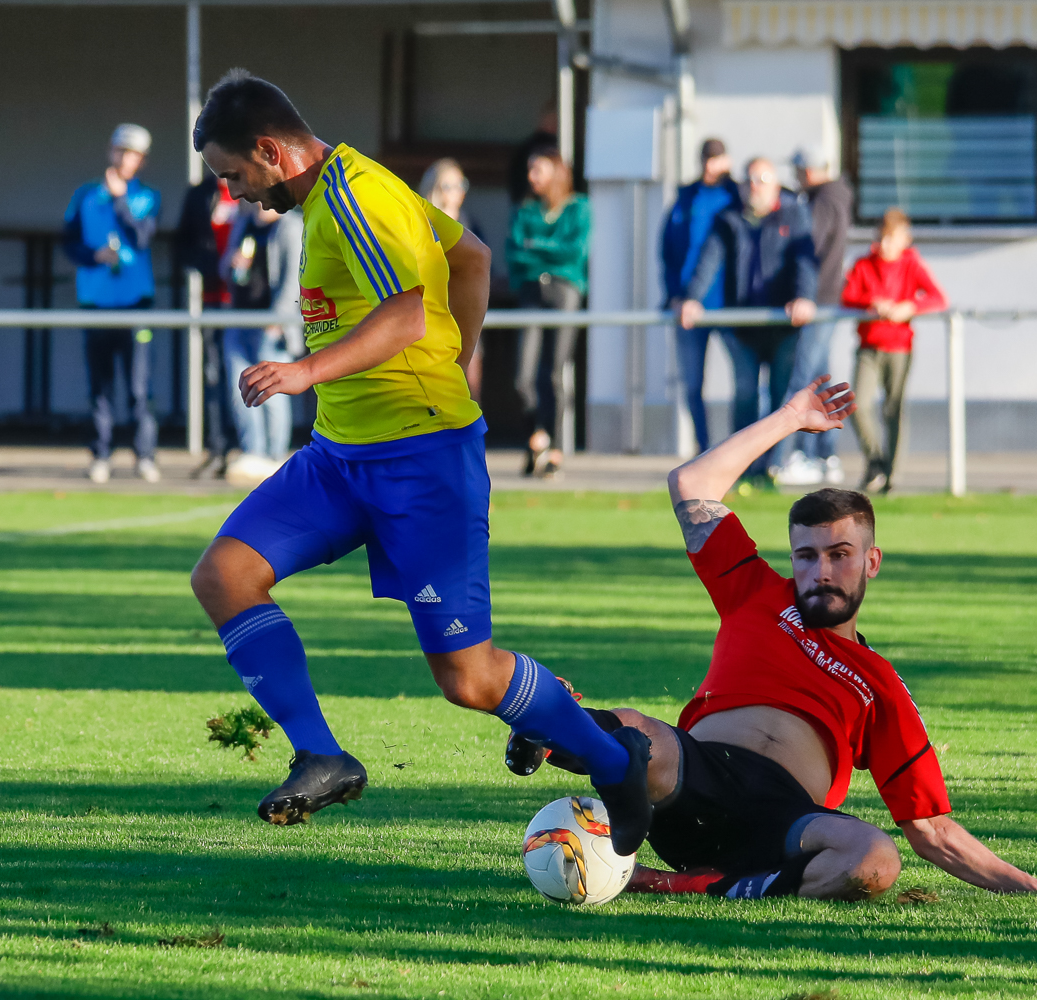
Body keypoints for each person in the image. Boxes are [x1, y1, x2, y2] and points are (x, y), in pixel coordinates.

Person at [187, 70, 652, 855]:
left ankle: (616, 760)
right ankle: (322, 755)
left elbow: (406, 312)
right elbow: (471, 258)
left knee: (469, 680)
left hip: (422, 464)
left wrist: (307, 371)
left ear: (270, 151)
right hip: (339, 457)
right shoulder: (343, 188)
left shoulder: (356, 197)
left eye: (233, 175)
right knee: (224, 575)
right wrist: (454, 358)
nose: (232, 193)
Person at [507, 379, 1037, 901]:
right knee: (639, 735)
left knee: (876, 860)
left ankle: (687, 884)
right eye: (806, 555)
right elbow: (691, 484)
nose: (821, 570)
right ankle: (549, 730)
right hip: (694, 780)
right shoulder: (754, 591)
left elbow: (931, 830)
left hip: (786, 824)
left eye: (839, 554)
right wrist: (791, 417)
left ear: (871, 562)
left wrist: (1032, 886)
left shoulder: (879, 683)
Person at [679, 157, 817, 487]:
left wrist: (803, 296)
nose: (755, 186)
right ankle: (743, 468)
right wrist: (693, 297)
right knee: (744, 394)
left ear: (775, 185)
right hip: (743, 328)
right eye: (750, 180)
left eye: (762, 180)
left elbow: (805, 261)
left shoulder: (794, 215)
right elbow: (709, 259)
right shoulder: (728, 219)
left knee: (782, 400)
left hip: (783, 327)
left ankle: (773, 467)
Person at [63, 123, 162, 484]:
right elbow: (68, 242)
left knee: (139, 387)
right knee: (100, 387)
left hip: (135, 304)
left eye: (133, 154)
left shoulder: (148, 197)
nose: (124, 159)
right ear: (110, 151)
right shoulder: (85, 195)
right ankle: (100, 455)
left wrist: (120, 201)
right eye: (120, 151)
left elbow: (142, 238)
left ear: (142, 161)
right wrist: (94, 256)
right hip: (95, 303)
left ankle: (145, 456)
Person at [840, 208, 947, 493]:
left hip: (899, 347)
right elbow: (847, 295)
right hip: (868, 346)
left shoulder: (912, 265)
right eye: (882, 237)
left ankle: (892, 475)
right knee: (857, 404)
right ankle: (876, 460)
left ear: (905, 240)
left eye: (892, 238)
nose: (885, 244)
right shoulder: (864, 264)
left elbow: (938, 298)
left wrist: (909, 307)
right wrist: (872, 303)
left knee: (894, 408)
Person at [771, 145, 854, 487]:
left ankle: (801, 456)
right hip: (826, 301)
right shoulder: (837, 196)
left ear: (808, 170)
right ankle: (825, 456)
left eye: (797, 171)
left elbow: (809, 248)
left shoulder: (822, 201)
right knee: (820, 380)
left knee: (804, 382)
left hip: (817, 302)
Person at [507, 146, 590, 478]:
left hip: (564, 292)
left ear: (556, 172)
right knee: (523, 377)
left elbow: (575, 252)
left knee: (554, 372)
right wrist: (547, 253)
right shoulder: (525, 211)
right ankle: (535, 437)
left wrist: (536, 247)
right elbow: (514, 252)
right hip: (531, 292)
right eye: (529, 170)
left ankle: (553, 447)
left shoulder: (579, 208)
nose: (531, 177)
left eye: (538, 169)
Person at [661, 138, 740, 454]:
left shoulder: (737, 196)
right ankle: (704, 450)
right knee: (692, 384)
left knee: (746, 383)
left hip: (729, 306)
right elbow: (667, 251)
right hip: (687, 308)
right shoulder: (686, 199)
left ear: (727, 161)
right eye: (706, 158)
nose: (710, 165)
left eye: (716, 158)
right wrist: (673, 294)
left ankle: (740, 453)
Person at [220, 202, 303, 482]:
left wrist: (278, 320)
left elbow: (295, 278)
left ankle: (274, 456)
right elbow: (224, 268)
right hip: (239, 320)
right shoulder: (243, 223)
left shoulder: (291, 225)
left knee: (272, 392)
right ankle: (253, 452)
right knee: (241, 390)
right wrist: (232, 264)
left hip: (272, 326)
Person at [177, 172, 244, 479]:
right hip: (212, 301)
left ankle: (254, 450)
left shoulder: (251, 185)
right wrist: (211, 266)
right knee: (214, 377)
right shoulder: (200, 194)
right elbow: (183, 244)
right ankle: (218, 450)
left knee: (249, 375)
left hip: (247, 306)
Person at [419, 158, 485, 399]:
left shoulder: (470, 223)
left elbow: (481, 265)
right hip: (432, 315)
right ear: (434, 188)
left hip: (465, 313)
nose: (457, 191)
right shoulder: (422, 223)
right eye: (448, 185)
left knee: (470, 386)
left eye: (461, 184)